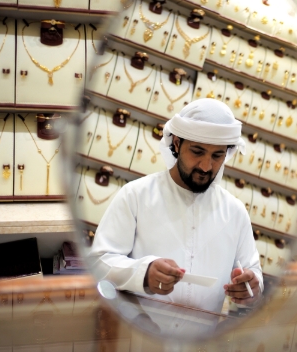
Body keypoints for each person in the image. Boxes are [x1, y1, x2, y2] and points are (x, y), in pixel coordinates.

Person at [89, 99, 263, 313]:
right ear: (177, 144)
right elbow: (99, 262)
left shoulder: (235, 211)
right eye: (197, 152)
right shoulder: (135, 195)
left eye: (217, 155)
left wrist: (252, 286)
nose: (206, 166)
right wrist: (143, 273)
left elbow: (253, 272)